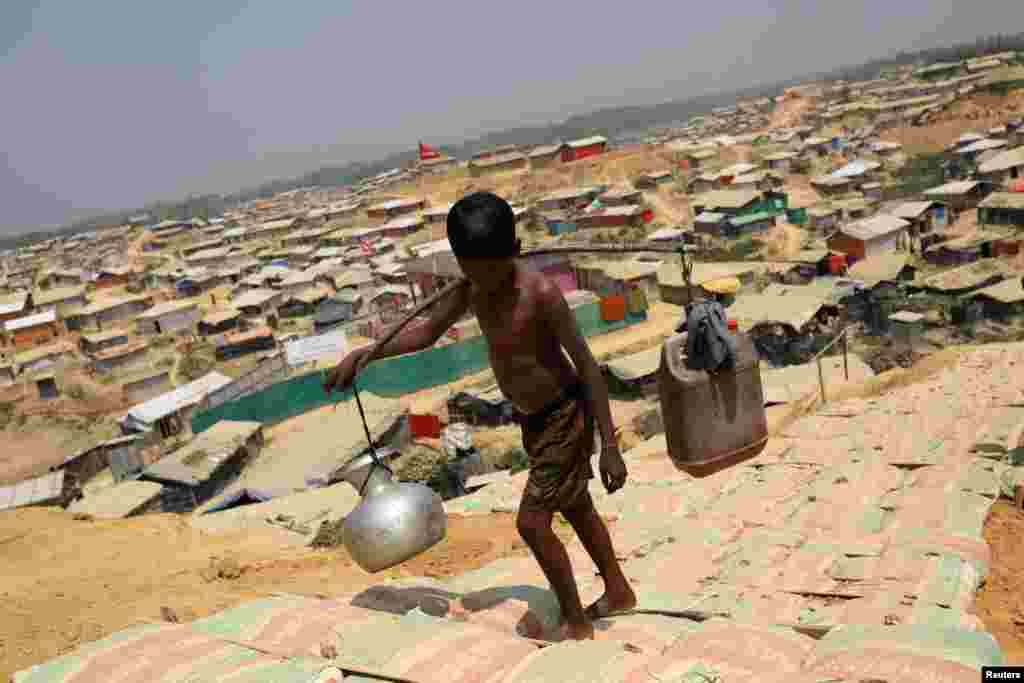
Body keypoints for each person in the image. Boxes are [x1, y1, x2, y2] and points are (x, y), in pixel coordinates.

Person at [325, 192, 636, 640]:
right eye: (470, 270)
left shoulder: (541, 294)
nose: (482, 282)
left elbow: (586, 365)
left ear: (512, 252)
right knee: (576, 505)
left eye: (490, 270)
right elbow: (427, 331)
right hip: (532, 420)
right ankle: (618, 591)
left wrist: (610, 446)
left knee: (531, 523)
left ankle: (577, 623)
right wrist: (367, 354)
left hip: (564, 415)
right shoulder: (471, 286)